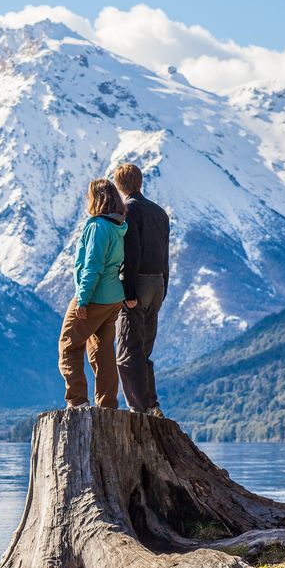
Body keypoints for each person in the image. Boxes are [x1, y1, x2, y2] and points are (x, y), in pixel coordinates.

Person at [58, 178, 128, 409]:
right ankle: (107, 404)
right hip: (113, 298)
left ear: (97, 199)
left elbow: (93, 265)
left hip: (94, 297)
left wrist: (83, 299)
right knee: (102, 351)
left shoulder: (98, 226)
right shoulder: (119, 226)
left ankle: (77, 401)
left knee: (68, 345)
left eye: (89, 196)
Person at [113, 163, 170, 417]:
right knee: (144, 350)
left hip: (138, 283)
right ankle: (152, 404)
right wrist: (163, 288)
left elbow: (131, 251)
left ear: (119, 186)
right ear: (140, 182)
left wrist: (129, 291)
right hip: (158, 283)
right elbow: (165, 254)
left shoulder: (128, 210)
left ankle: (140, 410)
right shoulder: (159, 213)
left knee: (127, 351)